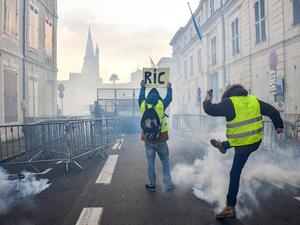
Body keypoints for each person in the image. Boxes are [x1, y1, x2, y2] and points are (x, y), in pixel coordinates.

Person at [203, 84, 284, 219]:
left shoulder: (229, 103)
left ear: (228, 94)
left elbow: (209, 109)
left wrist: (207, 98)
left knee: (234, 173)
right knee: (237, 141)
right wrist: (279, 126)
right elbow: (273, 111)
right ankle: (224, 145)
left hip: (243, 145)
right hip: (255, 141)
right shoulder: (253, 100)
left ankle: (230, 207)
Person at [138, 80, 175, 191]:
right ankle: (168, 184)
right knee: (165, 160)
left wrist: (142, 87)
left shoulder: (143, 104)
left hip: (148, 139)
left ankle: (151, 184)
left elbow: (140, 97)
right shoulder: (161, 104)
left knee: (150, 161)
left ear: (148, 97)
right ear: (158, 96)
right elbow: (169, 98)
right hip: (161, 138)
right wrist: (169, 88)